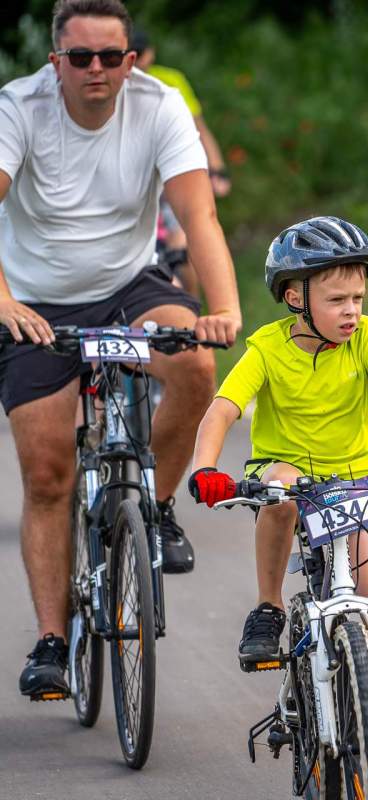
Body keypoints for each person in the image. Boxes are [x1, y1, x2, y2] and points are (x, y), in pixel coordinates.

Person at [0, 0, 241, 699]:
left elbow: (199, 215)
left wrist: (223, 309)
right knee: (46, 474)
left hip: (128, 283)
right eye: (81, 58)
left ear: (131, 58)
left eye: (112, 56)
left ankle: (158, 508)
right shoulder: (18, 107)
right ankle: (52, 639)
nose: (97, 70)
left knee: (196, 361)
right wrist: (6, 300)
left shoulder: (159, 105)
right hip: (36, 300)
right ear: (57, 61)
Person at [187, 216, 368, 778]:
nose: (352, 311)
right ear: (295, 297)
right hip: (287, 471)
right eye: (337, 298)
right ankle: (268, 607)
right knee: (281, 491)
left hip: (356, 479)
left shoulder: (365, 340)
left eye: (359, 298)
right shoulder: (266, 348)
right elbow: (222, 410)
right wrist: (206, 469)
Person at [131, 28, 230, 297]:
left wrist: (218, 168)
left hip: (172, 177)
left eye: (142, 55)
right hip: (137, 181)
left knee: (181, 247)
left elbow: (199, 128)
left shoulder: (170, 81)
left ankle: (191, 310)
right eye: (133, 56)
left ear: (150, 53)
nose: (138, 62)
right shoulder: (117, 85)